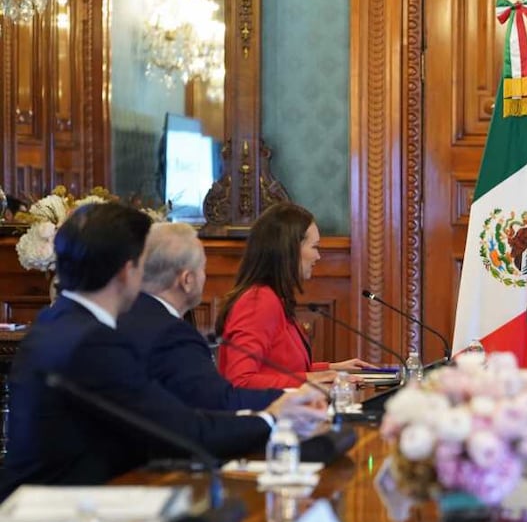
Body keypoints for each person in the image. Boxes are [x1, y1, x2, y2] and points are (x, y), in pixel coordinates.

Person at [2, 203, 326, 497]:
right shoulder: (94, 342)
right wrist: (272, 420)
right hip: (55, 514)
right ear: (126, 272)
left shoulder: (53, 322)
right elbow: (183, 431)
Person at [117, 222, 281, 411]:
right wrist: (290, 397)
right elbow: (219, 402)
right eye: (203, 268)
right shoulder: (172, 335)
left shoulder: (122, 315)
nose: (205, 276)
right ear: (187, 280)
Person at [215, 202, 368, 388]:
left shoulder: (273, 297)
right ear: (291, 249)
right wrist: (311, 379)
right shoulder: (258, 301)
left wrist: (331, 369)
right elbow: (240, 380)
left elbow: (279, 369)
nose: (318, 257)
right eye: (314, 247)